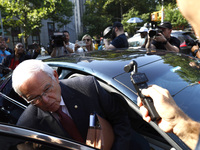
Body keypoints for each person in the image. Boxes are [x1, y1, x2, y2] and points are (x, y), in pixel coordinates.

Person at [12, 59, 150, 150]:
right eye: (34, 98)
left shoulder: (88, 87)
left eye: (47, 89)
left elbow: (120, 119)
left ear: (55, 76)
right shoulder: (27, 127)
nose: (46, 100)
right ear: (23, 98)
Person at [137, 0, 200, 149]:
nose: (159, 32)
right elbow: (146, 52)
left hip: (175, 74)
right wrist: (179, 123)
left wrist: (165, 42)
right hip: (161, 76)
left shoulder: (173, 40)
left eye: (195, 24)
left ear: (169, 31)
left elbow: (176, 53)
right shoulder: (154, 39)